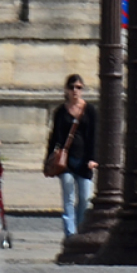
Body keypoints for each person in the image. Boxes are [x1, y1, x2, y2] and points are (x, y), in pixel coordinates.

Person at [46, 74, 99, 237]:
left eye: (79, 87)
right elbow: (54, 136)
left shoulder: (90, 111)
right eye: (72, 87)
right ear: (66, 90)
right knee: (68, 198)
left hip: (84, 161)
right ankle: (70, 234)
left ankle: (81, 231)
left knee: (85, 198)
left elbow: (95, 136)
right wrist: (48, 159)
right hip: (65, 161)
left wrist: (94, 159)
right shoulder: (60, 111)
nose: (75, 91)